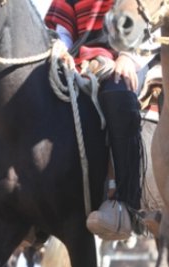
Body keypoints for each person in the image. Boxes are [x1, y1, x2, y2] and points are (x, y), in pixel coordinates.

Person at [45, 0, 144, 241]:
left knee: (117, 94)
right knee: (41, 94)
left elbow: (153, 18)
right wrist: (60, 50)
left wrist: (128, 57)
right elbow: (64, 33)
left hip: (129, 58)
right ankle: (37, 203)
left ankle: (125, 204)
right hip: (80, 63)